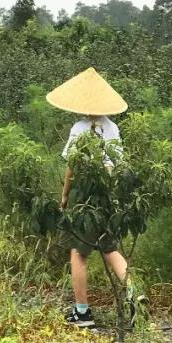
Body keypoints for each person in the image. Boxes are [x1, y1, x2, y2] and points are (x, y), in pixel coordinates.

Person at [47, 67, 139, 329]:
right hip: (108, 192)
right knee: (109, 247)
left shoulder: (79, 127)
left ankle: (82, 312)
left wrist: (65, 196)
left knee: (78, 252)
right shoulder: (113, 127)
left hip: (85, 195)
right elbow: (119, 163)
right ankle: (134, 295)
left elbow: (72, 166)